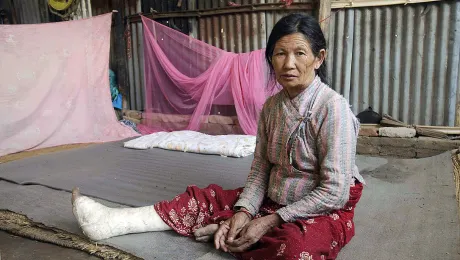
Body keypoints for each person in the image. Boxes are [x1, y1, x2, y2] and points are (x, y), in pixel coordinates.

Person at [71, 13, 365, 260]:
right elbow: (261, 170)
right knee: (201, 200)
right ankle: (113, 222)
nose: (289, 63)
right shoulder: (272, 107)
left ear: (318, 58)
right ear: (270, 59)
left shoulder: (333, 109)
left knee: (295, 249)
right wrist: (244, 212)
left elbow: (335, 192)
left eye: (300, 53)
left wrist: (269, 220)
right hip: (272, 200)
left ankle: (230, 230)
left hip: (319, 208)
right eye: (280, 53)